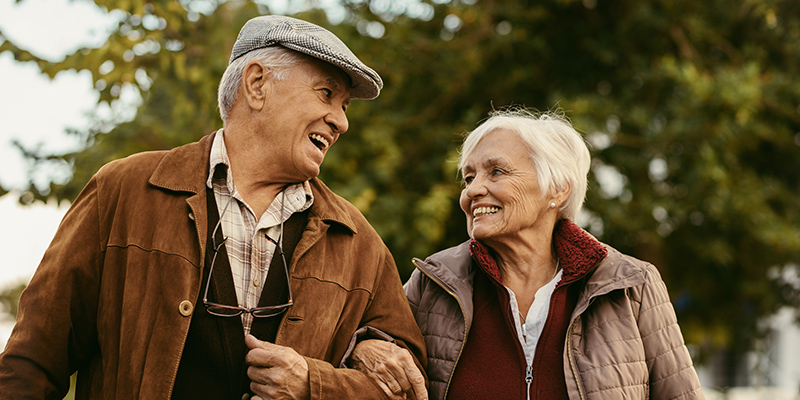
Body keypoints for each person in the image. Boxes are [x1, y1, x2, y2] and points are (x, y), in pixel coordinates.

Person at [0, 15, 427, 400]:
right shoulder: (123, 190)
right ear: (257, 84)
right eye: (327, 94)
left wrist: (315, 385)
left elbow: (411, 388)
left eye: (344, 106)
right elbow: (32, 363)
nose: (341, 120)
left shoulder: (358, 241)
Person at [352, 108, 705, 399]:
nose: (473, 190)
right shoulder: (433, 282)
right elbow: (364, 354)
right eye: (468, 177)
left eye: (496, 171)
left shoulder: (631, 284)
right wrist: (362, 348)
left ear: (557, 189)